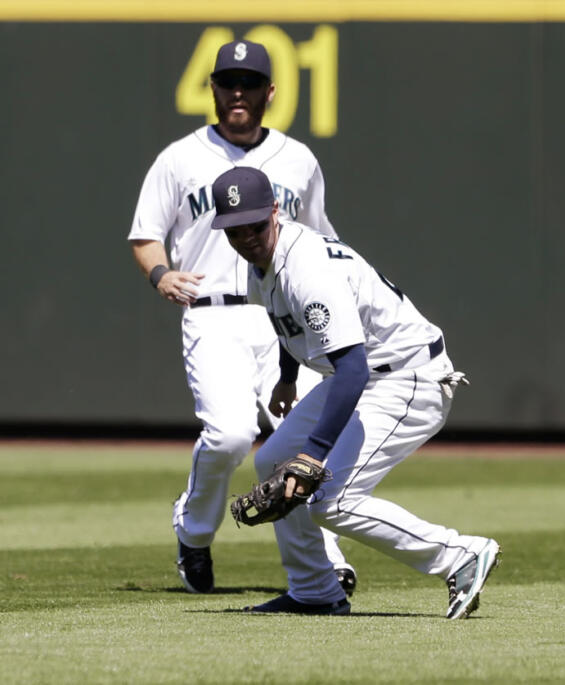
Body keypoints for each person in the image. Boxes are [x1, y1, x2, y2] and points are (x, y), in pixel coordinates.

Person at [210, 166, 501, 616]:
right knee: (272, 461)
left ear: (274, 211)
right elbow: (290, 326)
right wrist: (287, 378)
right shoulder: (263, 263)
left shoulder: (306, 269)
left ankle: (459, 556)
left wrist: (314, 454)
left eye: (253, 223)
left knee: (331, 500)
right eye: (234, 227)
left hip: (407, 377)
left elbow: (352, 370)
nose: (246, 235)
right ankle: (314, 591)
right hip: (363, 374)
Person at [127, 39, 355, 595]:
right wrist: (161, 275)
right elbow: (145, 235)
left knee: (300, 437)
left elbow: (322, 241)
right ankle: (194, 531)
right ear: (212, 88)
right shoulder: (180, 158)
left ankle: (325, 561)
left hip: (282, 315)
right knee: (230, 437)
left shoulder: (298, 160)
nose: (237, 92)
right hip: (213, 316)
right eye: (227, 81)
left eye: (249, 82)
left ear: (269, 93)